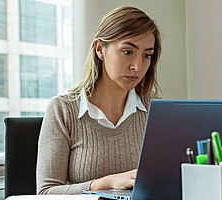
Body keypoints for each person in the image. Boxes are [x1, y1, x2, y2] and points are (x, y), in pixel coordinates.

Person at [36, 6, 162, 195]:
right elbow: (46, 192)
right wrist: (106, 183)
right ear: (100, 49)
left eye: (146, 55)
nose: (137, 66)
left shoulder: (155, 107)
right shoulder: (63, 109)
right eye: (128, 52)